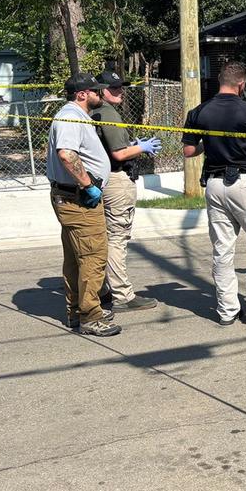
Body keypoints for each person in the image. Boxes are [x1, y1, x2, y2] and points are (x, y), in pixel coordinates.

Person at [181, 61, 246, 325]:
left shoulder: (199, 111)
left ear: (220, 80)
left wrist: (209, 143)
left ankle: (226, 311)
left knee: (222, 250)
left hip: (214, 183)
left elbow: (189, 151)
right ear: (241, 83)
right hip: (245, 184)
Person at [46, 72, 121, 337]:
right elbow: (66, 154)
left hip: (71, 197)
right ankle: (91, 316)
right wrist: (88, 185)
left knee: (76, 258)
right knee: (93, 257)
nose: (100, 95)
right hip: (77, 199)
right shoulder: (70, 117)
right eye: (96, 91)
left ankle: (77, 310)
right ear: (81, 95)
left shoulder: (76, 116)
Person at [90, 70, 161, 313]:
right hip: (117, 179)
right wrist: (140, 148)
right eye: (114, 88)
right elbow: (118, 154)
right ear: (101, 90)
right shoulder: (109, 114)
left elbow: (110, 147)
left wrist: (133, 145)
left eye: (121, 87)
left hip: (100, 179)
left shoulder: (92, 112)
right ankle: (122, 295)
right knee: (117, 238)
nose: (120, 91)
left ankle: (102, 290)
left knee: (104, 238)